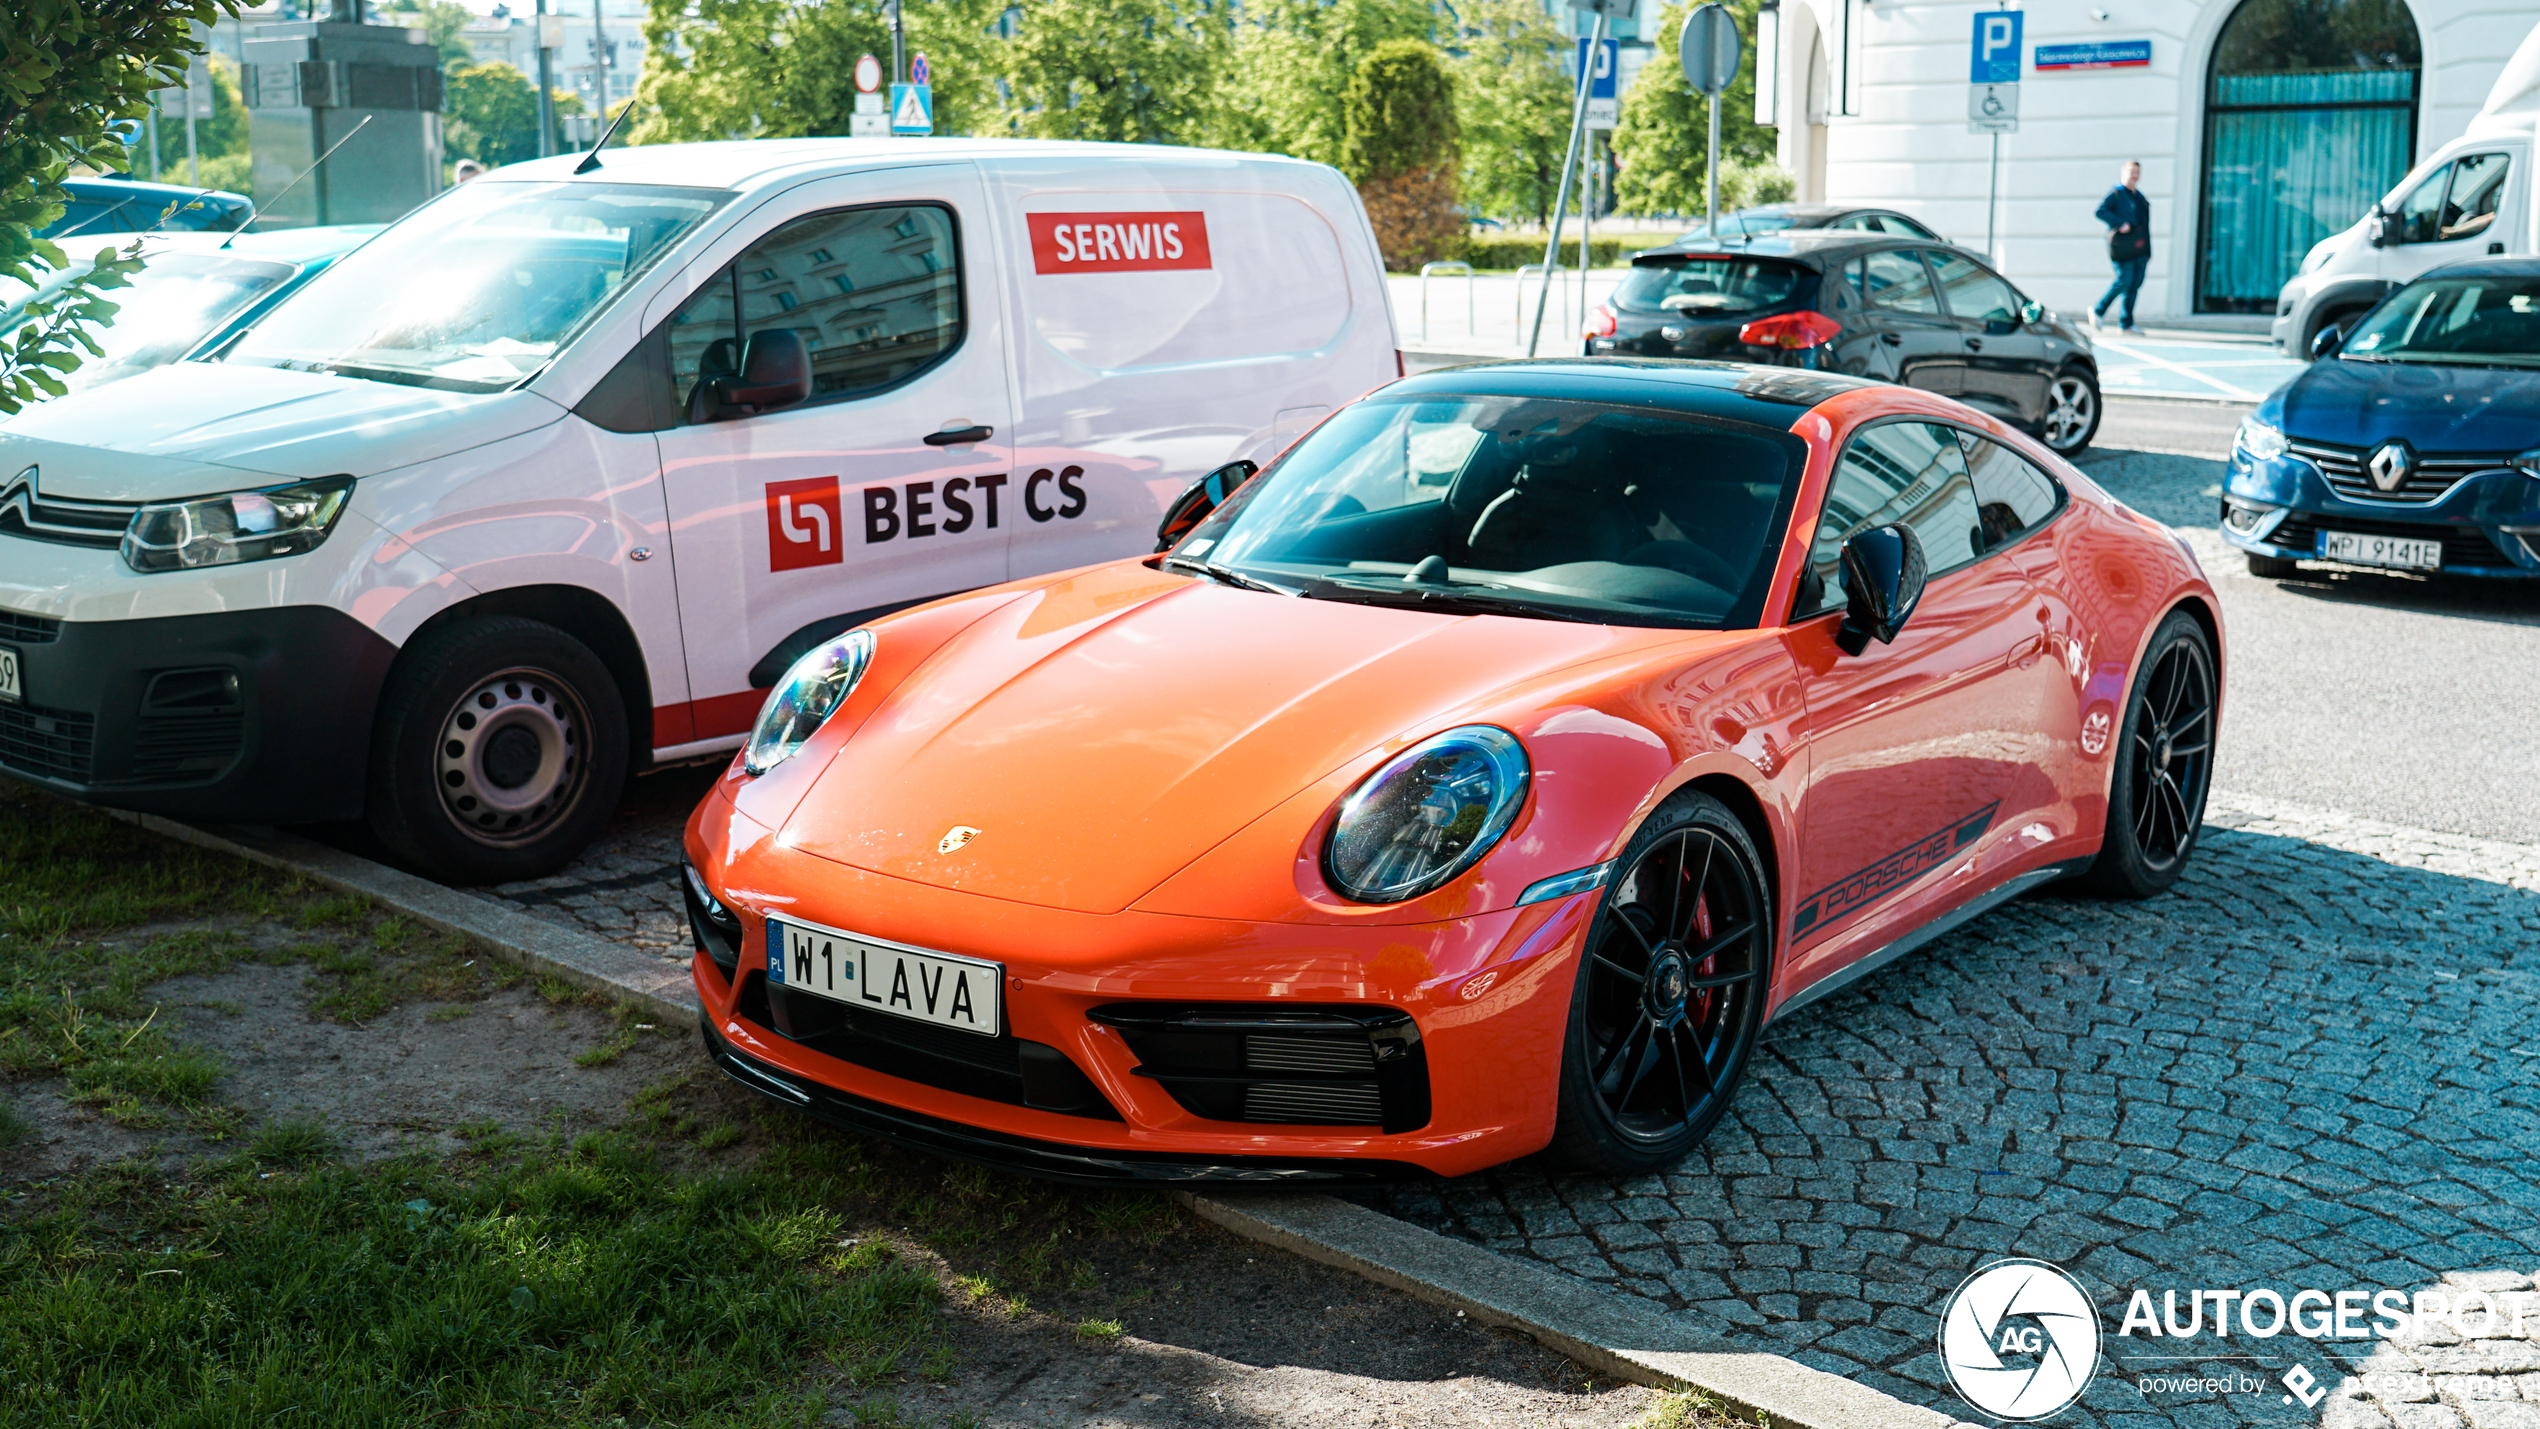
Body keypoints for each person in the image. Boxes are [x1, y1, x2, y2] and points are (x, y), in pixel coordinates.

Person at [2093, 161, 2150, 333]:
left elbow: (2145, 225)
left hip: (2140, 248)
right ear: (2123, 173)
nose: (2135, 176)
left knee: (2134, 285)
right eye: (2132, 172)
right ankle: (2098, 310)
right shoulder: (2116, 193)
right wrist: (2120, 223)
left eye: (2137, 173)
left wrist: (2148, 251)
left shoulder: (2139, 197)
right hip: (2122, 247)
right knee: (2124, 280)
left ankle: (2126, 323)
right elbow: (2100, 211)